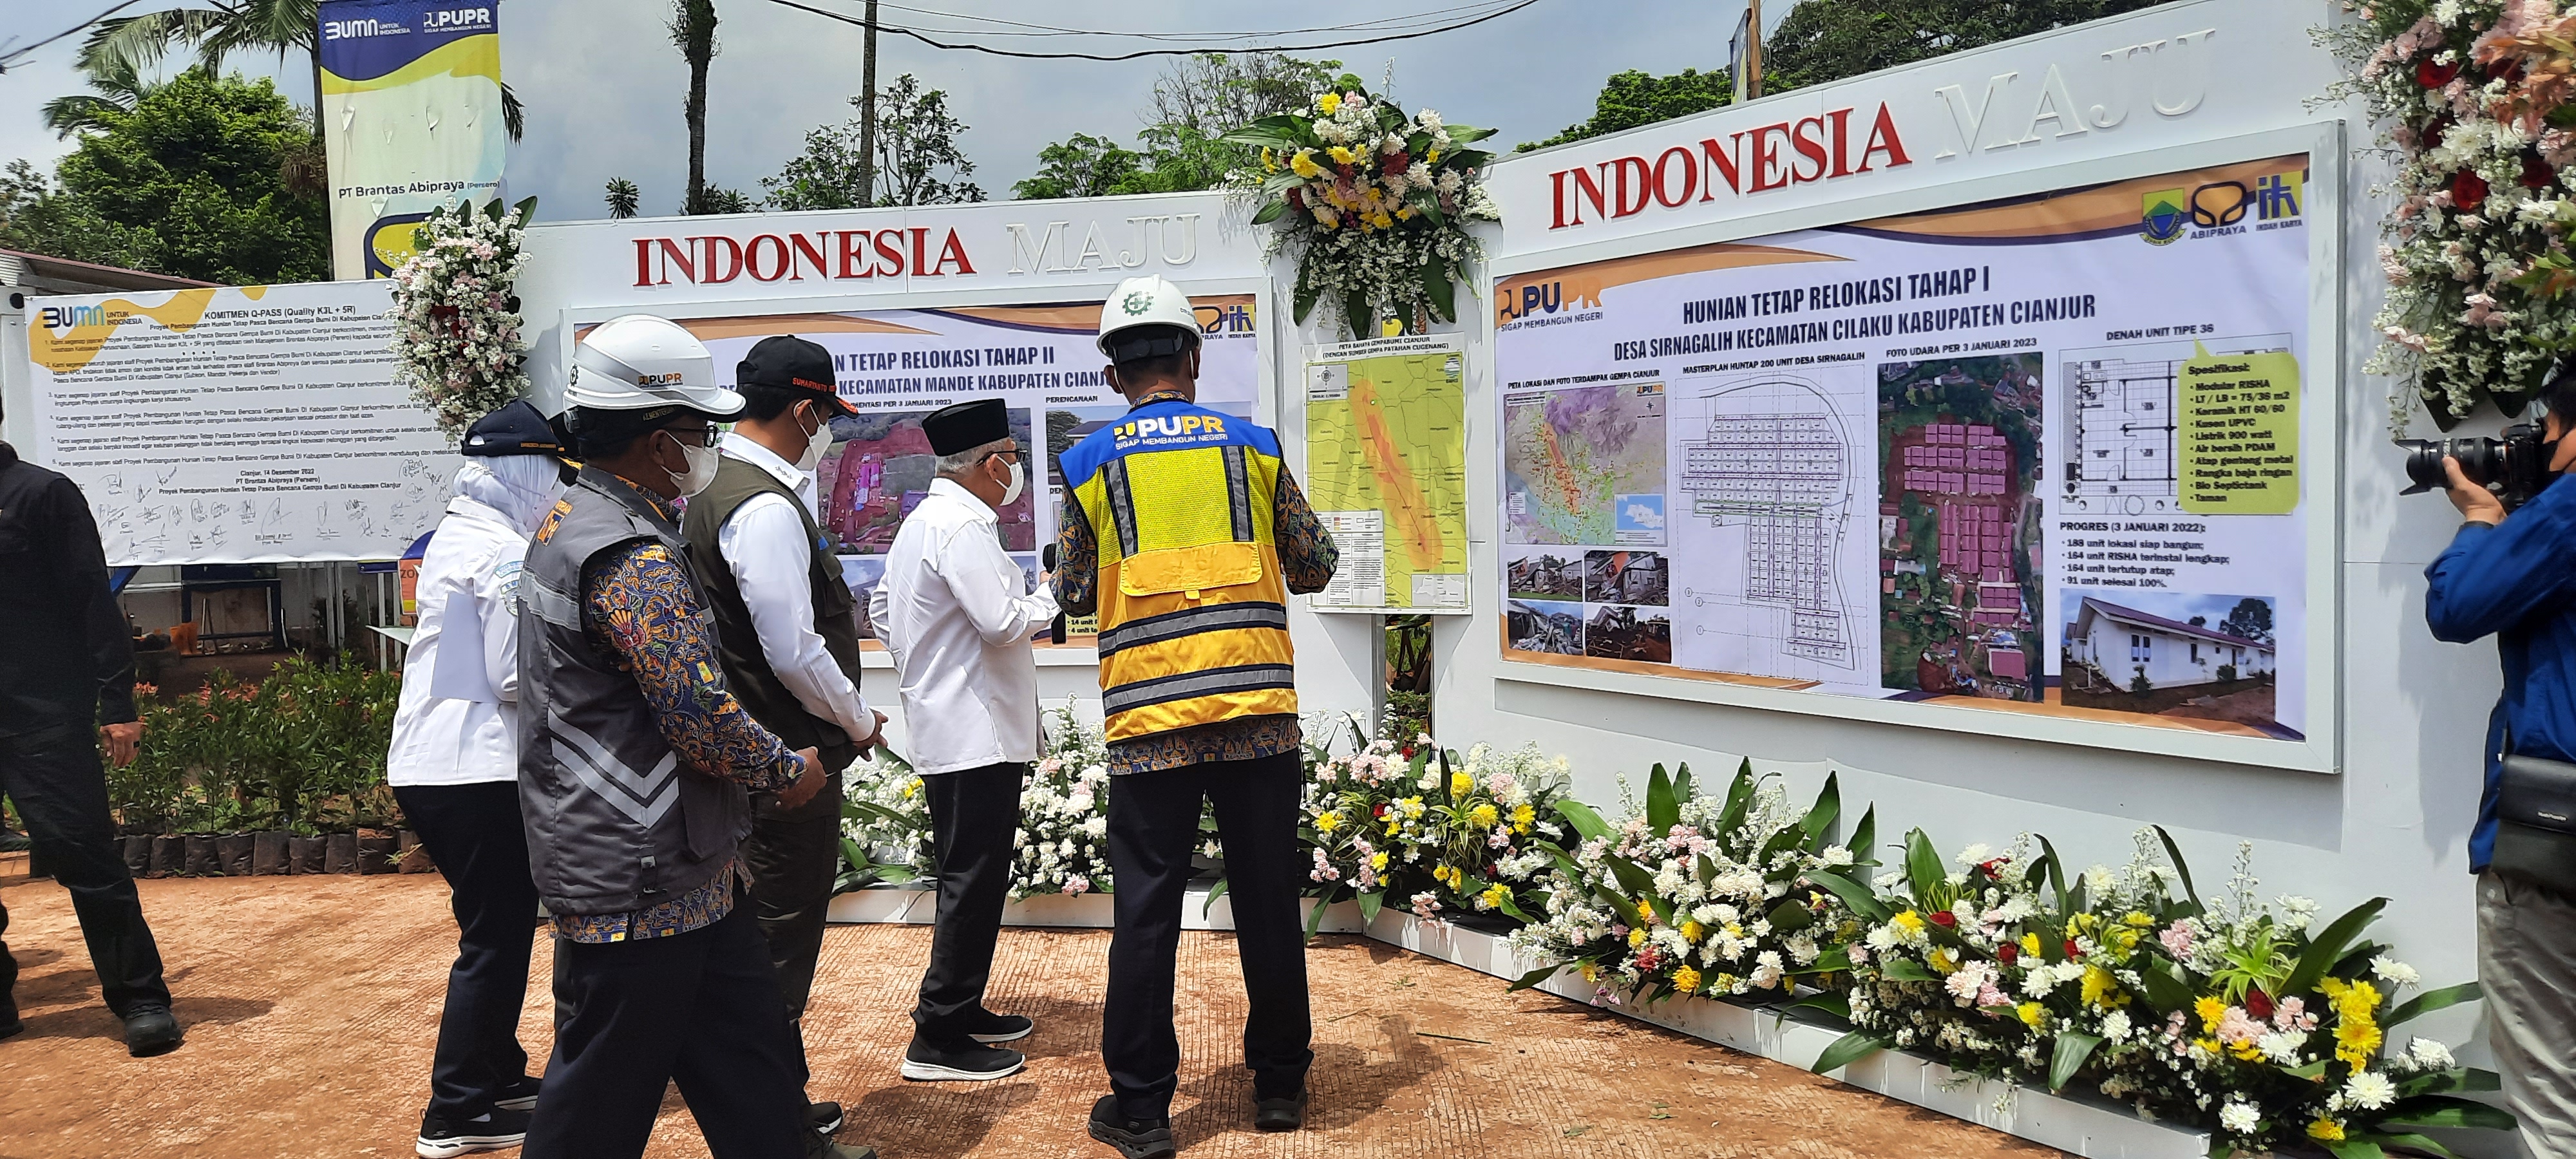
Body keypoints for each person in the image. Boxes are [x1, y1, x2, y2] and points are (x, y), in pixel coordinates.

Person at [516, 314, 871, 1159]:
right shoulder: (629, 553)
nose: (707, 444)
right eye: (697, 429)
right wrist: (786, 768)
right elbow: (697, 713)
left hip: (682, 872)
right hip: (637, 881)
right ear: (653, 436)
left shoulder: (574, 518)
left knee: (753, 1077)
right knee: (597, 1105)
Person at [1054, 275, 1338, 1159]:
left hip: (1149, 725)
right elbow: (1317, 563)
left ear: (1112, 376)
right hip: (1257, 714)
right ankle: (1282, 1085)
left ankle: (1140, 1108)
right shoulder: (1252, 448)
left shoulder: (1091, 465)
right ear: (1193, 357)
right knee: (1265, 900)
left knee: (1146, 912)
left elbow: (1069, 594)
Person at [678, 335, 886, 1137]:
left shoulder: (716, 488)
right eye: (827, 416)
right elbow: (791, 647)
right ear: (805, 409)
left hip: (749, 752)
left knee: (755, 931)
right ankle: (771, 1119)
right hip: (784, 761)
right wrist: (857, 719)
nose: (827, 432)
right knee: (779, 933)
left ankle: (778, 1100)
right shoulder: (762, 506)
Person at [386, 400, 573, 1157]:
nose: (559, 486)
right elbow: (504, 675)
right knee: (495, 938)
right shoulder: (499, 553)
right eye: (553, 470)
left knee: (495, 928)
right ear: (527, 469)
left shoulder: (460, 536)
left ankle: (496, 1072)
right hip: (475, 770)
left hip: (443, 765)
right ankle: (458, 1108)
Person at [869, 397, 1052, 1083]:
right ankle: (939, 1034)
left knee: (968, 875)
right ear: (984, 464)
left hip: (954, 722)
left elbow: (884, 609)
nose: (1015, 468)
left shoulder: (927, 520)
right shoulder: (963, 526)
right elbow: (1002, 622)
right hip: (975, 730)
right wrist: (1056, 592)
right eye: (1009, 455)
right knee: (972, 880)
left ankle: (962, 1006)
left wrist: (924, 665)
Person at [2425, 370, 2576, 1158]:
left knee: (2554, 1089)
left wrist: (2484, 519)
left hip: (2557, 842)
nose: (2540, 448)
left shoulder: (2567, 512)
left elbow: (2459, 607)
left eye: (2547, 431)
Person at [0, 438, 180, 1059]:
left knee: (84, 858)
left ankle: (141, 999)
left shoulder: (41, 495)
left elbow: (90, 602)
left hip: (40, 715)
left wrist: (118, 704)